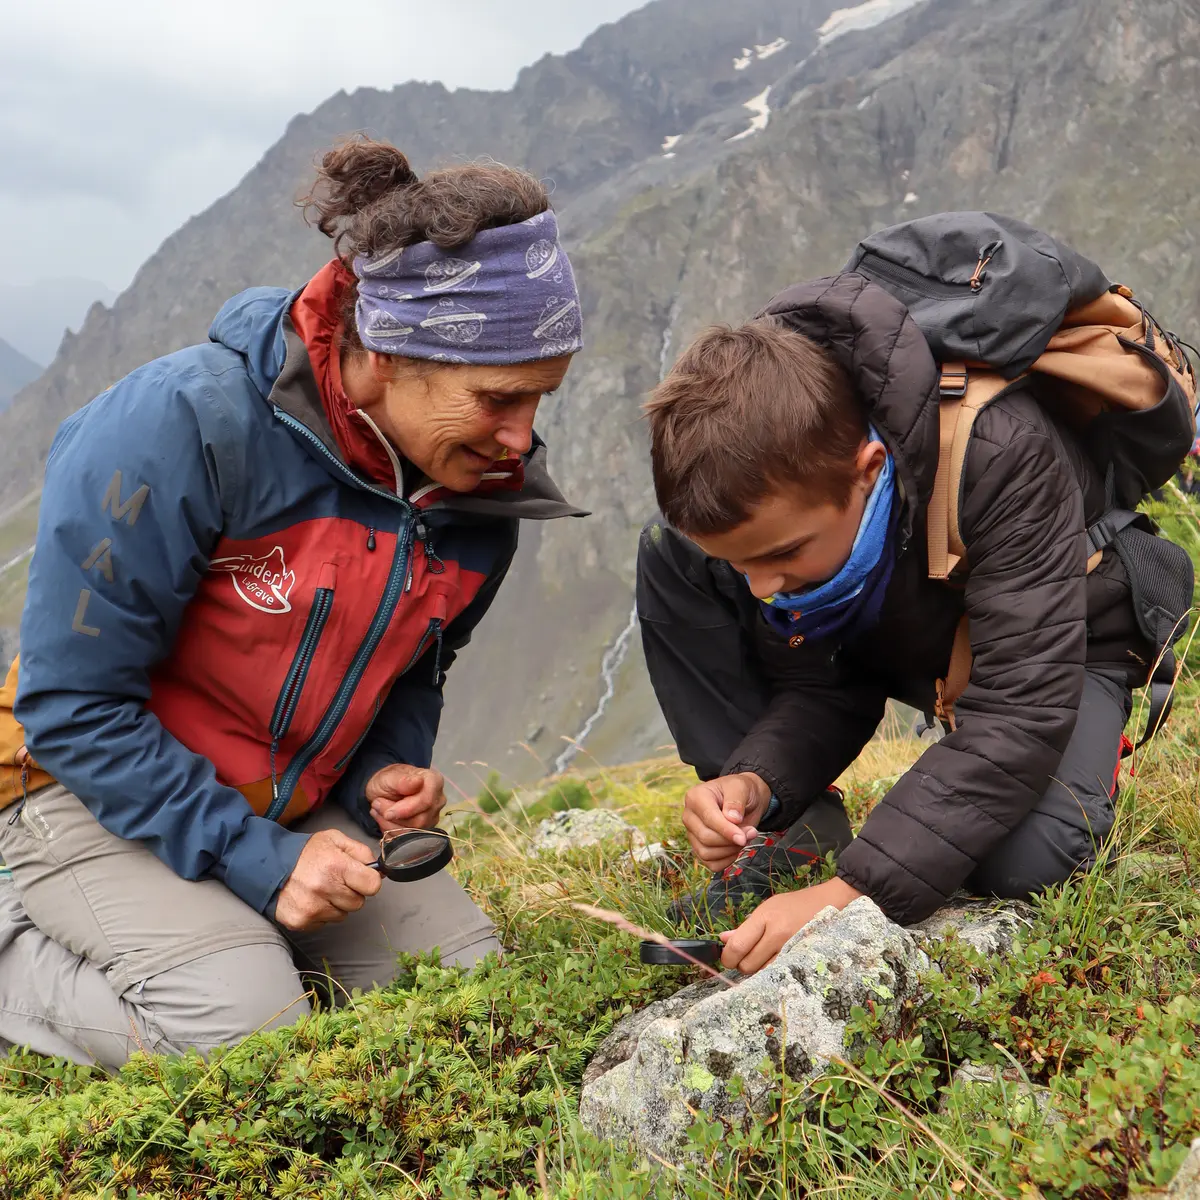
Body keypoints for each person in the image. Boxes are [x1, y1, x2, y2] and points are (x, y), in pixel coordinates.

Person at [0, 137, 585, 1068]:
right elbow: (72, 708)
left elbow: (414, 674)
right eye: (498, 398)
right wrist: (263, 863)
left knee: (463, 996)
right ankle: (21, 957)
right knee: (250, 1037)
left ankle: (230, 943)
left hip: (283, 797)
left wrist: (383, 777)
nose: (522, 441)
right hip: (81, 790)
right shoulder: (177, 427)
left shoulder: (477, 498)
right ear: (389, 353)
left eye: (540, 399)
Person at [637, 215, 1195, 976]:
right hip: (916, 630)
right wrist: (757, 777)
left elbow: (1020, 708)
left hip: (1061, 640)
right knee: (672, 558)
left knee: (1029, 861)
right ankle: (787, 831)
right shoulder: (797, 495)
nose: (762, 589)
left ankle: (1106, 733)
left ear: (868, 469)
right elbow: (823, 681)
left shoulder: (997, 448)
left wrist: (853, 891)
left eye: (781, 555)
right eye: (743, 569)